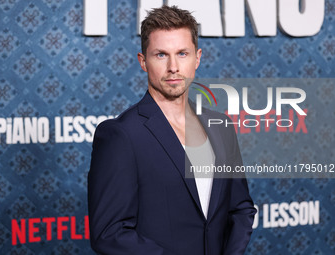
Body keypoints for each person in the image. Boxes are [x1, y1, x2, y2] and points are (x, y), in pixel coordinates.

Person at [88, 5, 256, 255]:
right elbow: (109, 234)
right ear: (143, 61)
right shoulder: (121, 135)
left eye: (182, 53)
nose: (173, 66)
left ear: (197, 57)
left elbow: (240, 209)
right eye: (161, 55)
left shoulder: (221, 128)